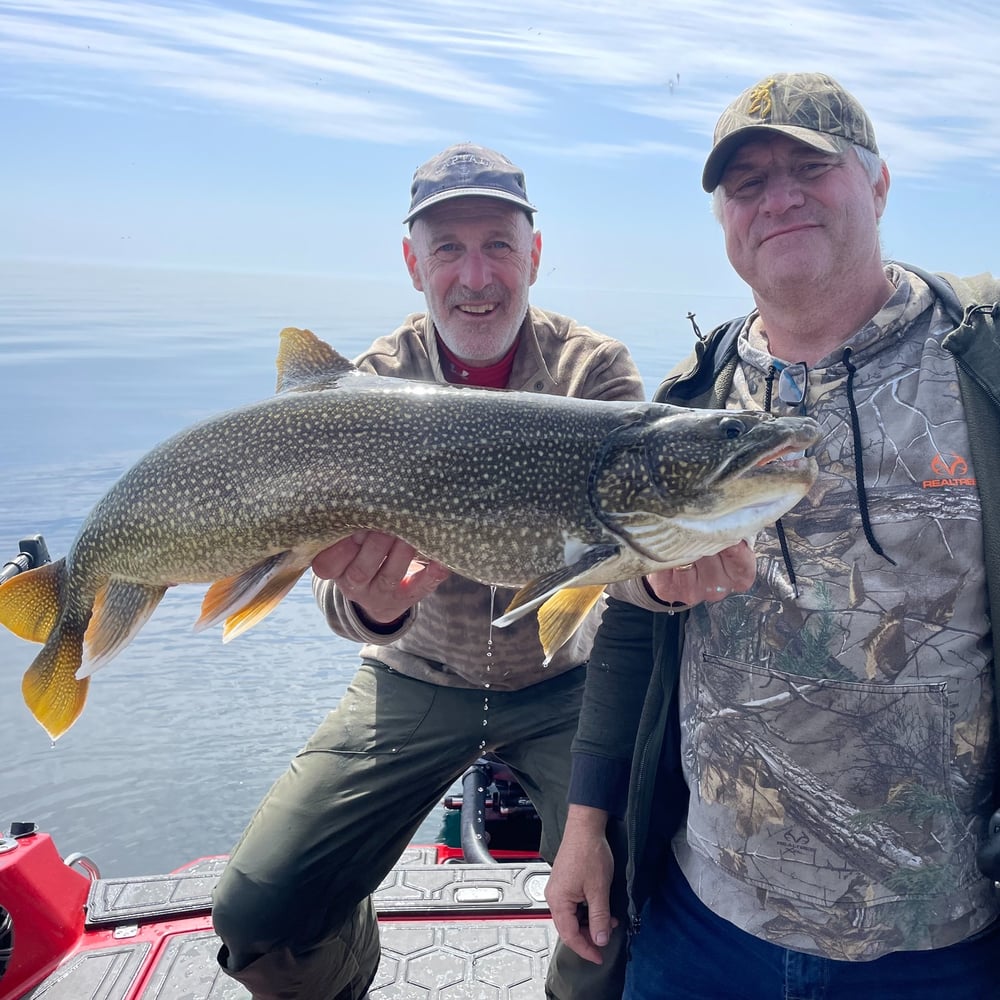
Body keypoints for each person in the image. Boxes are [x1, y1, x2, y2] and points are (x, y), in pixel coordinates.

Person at [546, 71, 1000, 1000]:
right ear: (723, 222)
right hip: (707, 918)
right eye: (747, 183)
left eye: (811, 166)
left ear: (877, 185)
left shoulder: (982, 361)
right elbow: (629, 630)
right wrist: (586, 825)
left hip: (946, 932)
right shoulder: (689, 403)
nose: (780, 197)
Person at [211, 142, 643, 999]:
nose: (475, 276)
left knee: (623, 902)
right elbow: (332, 590)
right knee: (258, 910)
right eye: (448, 248)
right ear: (413, 263)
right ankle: (349, 958)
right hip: (413, 676)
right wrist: (371, 610)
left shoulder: (594, 373)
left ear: (535, 255)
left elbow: (628, 562)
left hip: (568, 685)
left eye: (497, 245)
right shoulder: (372, 385)